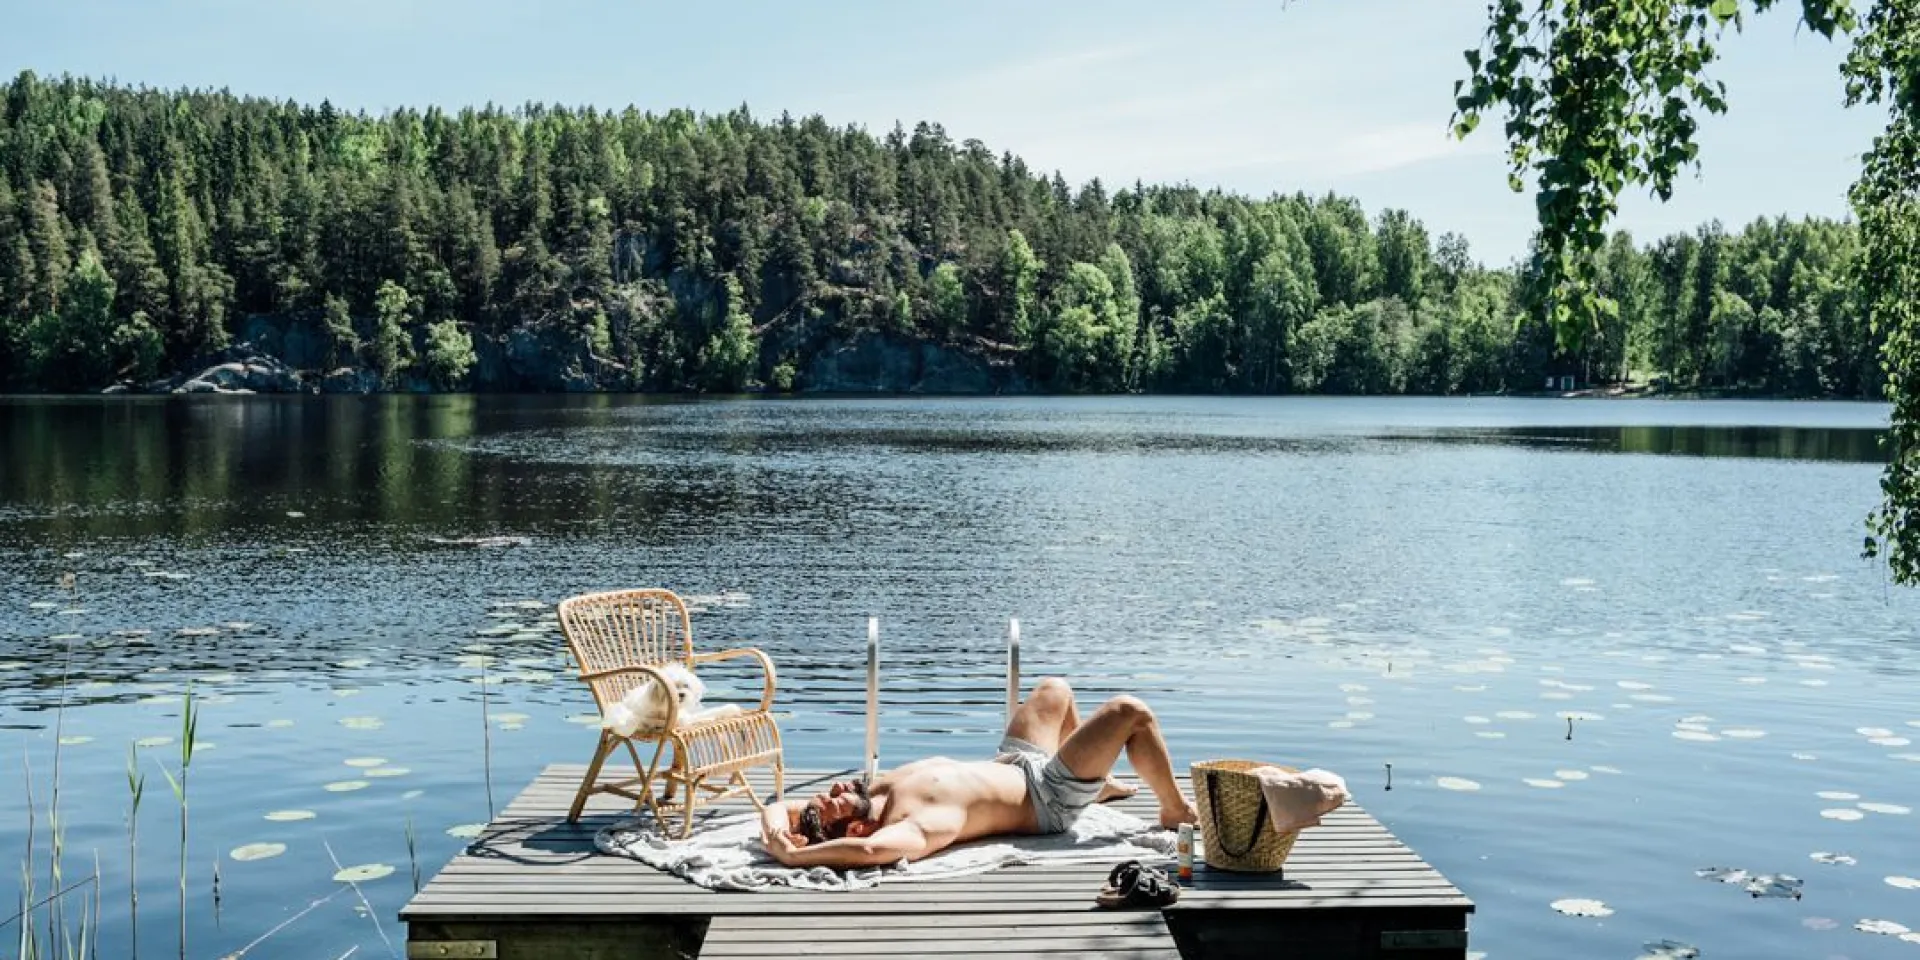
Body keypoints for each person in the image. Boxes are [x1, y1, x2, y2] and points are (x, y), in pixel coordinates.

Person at [758, 677, 1199, 869]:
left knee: (1055, 690)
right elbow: (872, 853)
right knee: (1129, 712)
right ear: (853, 825)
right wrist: (795, 857)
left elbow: (780, 805)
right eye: (831, 800)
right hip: (1048, 795)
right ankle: (1172, 809)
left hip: (1011, 762)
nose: (834, 787)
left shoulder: (873, 791)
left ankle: (1097, 785)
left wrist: (779, 835)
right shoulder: (911, 827)